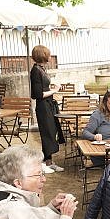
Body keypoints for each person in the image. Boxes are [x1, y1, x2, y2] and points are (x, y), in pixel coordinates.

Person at [30, 45, 65, 174]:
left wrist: (51, 87)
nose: (50, 56)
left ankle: (48, 161)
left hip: (48, 105)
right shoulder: (36, 71)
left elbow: (43, 88)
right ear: (43, 55)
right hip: (43, 106)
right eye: (48, 54)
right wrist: (54, 90)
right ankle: (48, 162)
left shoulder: (41, 69)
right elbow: (37, 95)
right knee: (48, 133)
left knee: (51, 132)